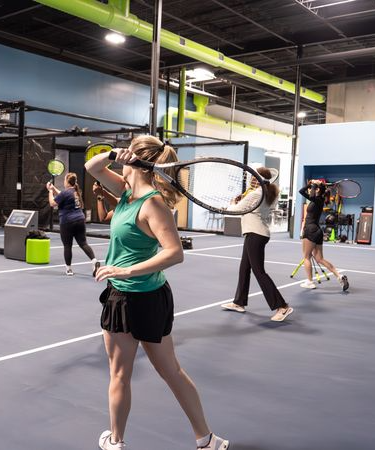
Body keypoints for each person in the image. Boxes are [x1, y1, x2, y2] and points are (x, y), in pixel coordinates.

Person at [85, 135, 229, 450]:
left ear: (136, 161)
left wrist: (127, 270)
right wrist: (114, 153)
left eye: (128, 150)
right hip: (140, 294)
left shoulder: (152, 204)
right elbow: (92, 166)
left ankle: (116, 441)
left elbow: (175, 253)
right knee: (162, 371)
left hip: (134, 296)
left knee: (127, 374)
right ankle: (206, 440)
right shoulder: (126, 192)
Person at [221, 167, 293, 321]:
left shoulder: (256, 194)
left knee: (259, 271)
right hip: (258, 233)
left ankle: (282, 306)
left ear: (260, 179)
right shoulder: (270, 193)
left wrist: (232, 203)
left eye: (254, 177)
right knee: (244, 268)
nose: (252, 179)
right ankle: (239, 302)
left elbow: (234, 210)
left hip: (255, 234)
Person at [299, 180, 349, 290]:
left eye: (313, 188)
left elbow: (301, 191)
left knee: (306, 257)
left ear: (317, 190)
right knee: (319, 258)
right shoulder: (320, 199)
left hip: (310, 230)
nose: (310, 188)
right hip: (317, 231)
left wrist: (311, 183)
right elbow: (305, 192)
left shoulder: (316, 199)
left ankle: (310, 282)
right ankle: (339, 276)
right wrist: (315, 184)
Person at [46, 172, 100, 276]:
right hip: (80, 220)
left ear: (67, 181)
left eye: (64, 180)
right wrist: (53, 189)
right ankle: (94, 261)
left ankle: (69, 269)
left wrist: (50, 191)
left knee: (67, 246)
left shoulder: (65, 193)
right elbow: (62, 195)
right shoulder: (75, 191)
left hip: (67, 222)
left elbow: (52, 203)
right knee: (83, 243)